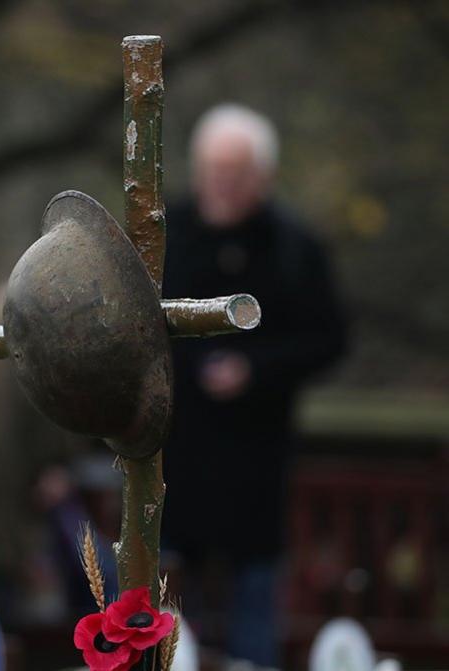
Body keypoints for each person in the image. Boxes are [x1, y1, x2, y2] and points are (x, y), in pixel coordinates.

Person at [161, 104, 347, 666]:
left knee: (254, 608)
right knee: (164, 610)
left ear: (262, 176)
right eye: (211, 168)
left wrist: (256, 370)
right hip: (178, 451)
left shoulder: (293, 248)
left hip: (255, 456)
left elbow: (327, 338)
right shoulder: (168, 234)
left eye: (235, 171)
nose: (221, 182)